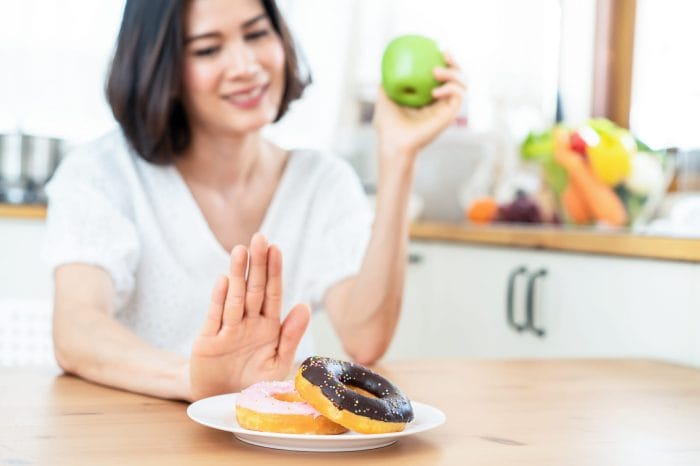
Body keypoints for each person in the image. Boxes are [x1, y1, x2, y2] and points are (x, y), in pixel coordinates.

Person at [45, 0, 465, 402]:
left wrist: (397, 157)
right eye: (208, 49)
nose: (246, 66)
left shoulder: (322, 181)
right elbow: (77, 330)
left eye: (257, 34)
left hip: (270, 443)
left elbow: (365, 336)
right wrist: (194, 379)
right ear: (159, 64)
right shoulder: (102, 173)